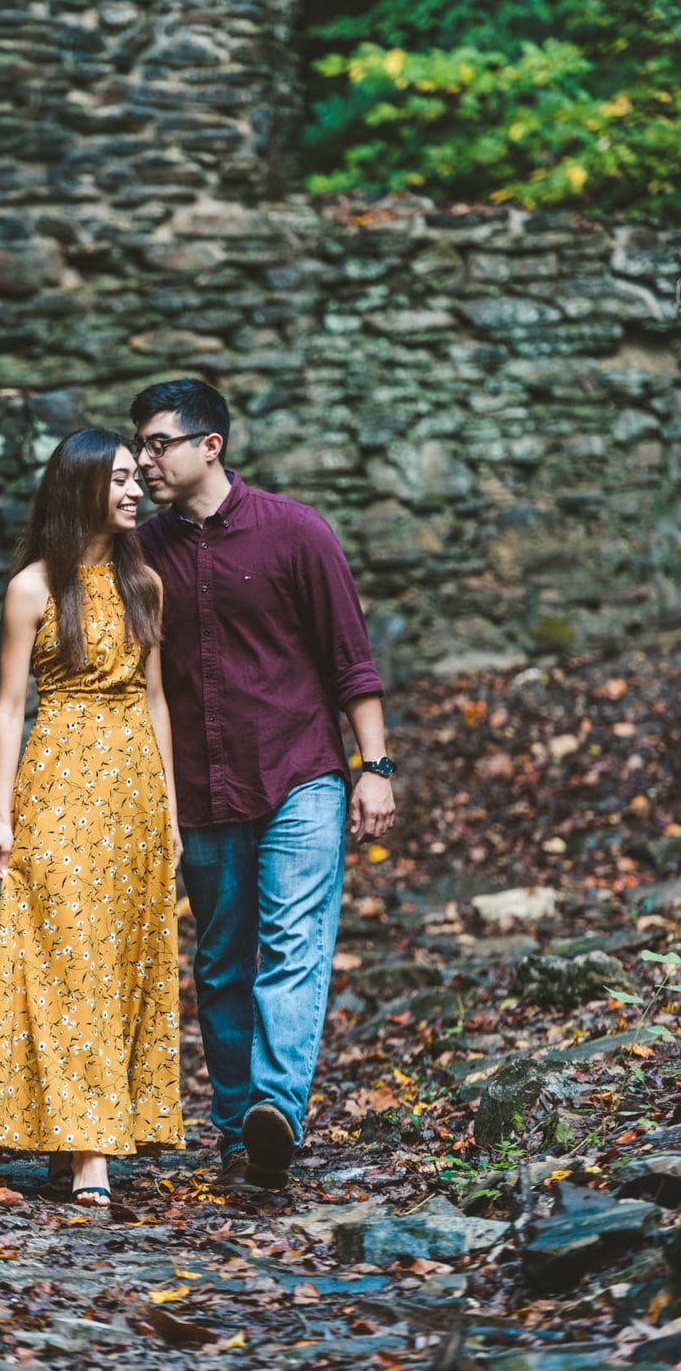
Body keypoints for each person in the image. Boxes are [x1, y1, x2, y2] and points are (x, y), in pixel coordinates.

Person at [129, 378, 396, 1192]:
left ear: (211, 445)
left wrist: (373, 768)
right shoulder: (142, 553)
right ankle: (237, 1130)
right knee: (219, 963)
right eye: (139, 445)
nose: (143, 460)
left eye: (158, 444)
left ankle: (274, 1112)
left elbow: (350, 659)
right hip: (201, 789)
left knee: (292, 947)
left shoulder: (296, 534)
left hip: (299, 775)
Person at [0, 427, 186, 1208]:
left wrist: (169, 810)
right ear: (82, 487)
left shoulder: (146, 585)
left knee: (123, 958)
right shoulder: (32, 587)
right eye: (121, 478)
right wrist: (2, 818)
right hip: (58, 777)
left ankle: (76, 1134)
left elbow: (156, 701)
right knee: (68, 956)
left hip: (131, 784)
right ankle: (91, 1152)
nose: (136, 490)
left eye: (137, 476)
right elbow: (6, 709)